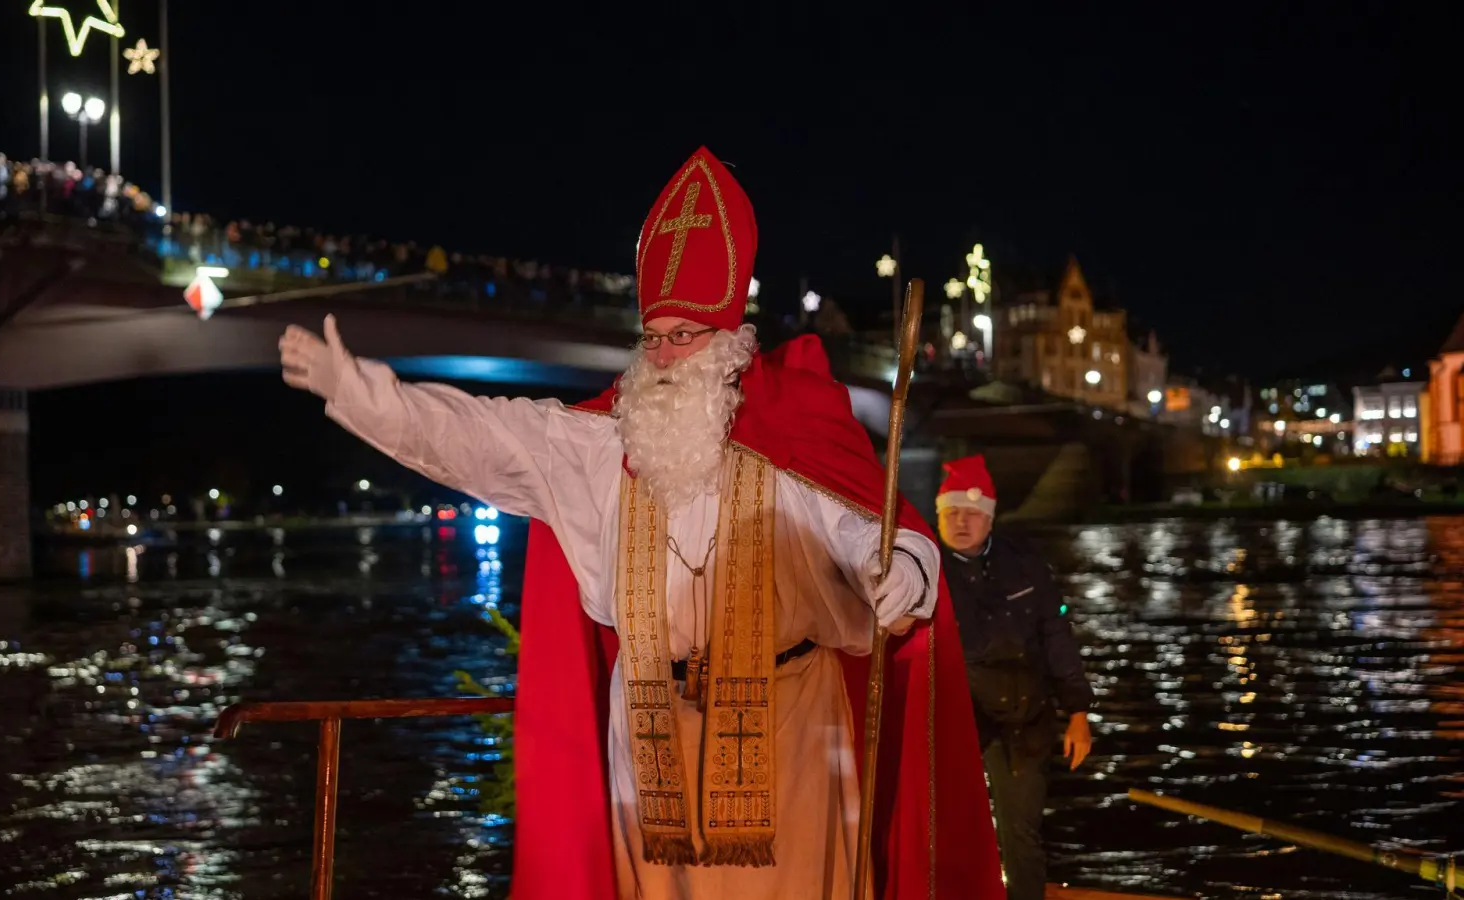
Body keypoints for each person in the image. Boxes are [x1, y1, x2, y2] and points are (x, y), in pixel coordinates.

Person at [280, 147, 1003, 900]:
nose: (660, 357)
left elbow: (876, 534)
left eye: (682, 337)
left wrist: (902, 575)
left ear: (727, 345)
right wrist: (370, 399)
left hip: (788, 731)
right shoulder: (604, 443)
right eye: (652, 337)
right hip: (650, 736)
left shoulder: (795, 435)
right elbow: (484, 438)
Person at [934, 455, 1093, 900]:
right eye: (951, 513)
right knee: (950, 822)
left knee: (1020, 832)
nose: (961, 523)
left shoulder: (1024, 564)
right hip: (954, 718)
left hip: (1025, 717)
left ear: (990, 518)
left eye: (971, 514)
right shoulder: (922, 566)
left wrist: (1077, 711)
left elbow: (1056, 634)